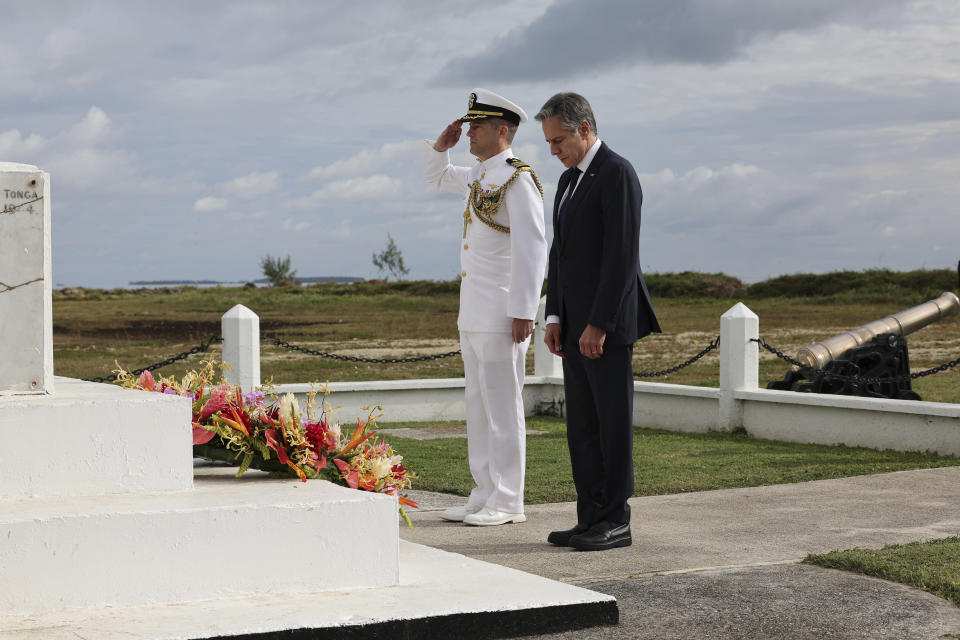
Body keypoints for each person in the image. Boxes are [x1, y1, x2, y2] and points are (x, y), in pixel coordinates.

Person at [535, 92, 661, 551]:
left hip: (604, 329)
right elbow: (560, 254)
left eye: (559, 140)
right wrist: (554, 314)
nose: (554, 150)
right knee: (582, 426)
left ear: (584, 127)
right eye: (549, 143)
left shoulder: (617, 173)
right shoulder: (569, 181)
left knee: (610, 424)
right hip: (572, 327)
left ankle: (616, 519)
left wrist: (599, 323)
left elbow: (621, 256)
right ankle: (589, 516)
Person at [424, 88, 548, 526]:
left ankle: (509, 499)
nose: (469, 132)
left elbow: (533, 248)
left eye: (476, 126)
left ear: (502, 130)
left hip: (501, 313)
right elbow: (439, 177)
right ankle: (484, 490)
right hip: (473, 312)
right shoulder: (479, 176)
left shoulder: (517, 178)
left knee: (503, 407)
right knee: (478, 407)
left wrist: (523, 310)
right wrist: (443, 146)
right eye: (469, 125)